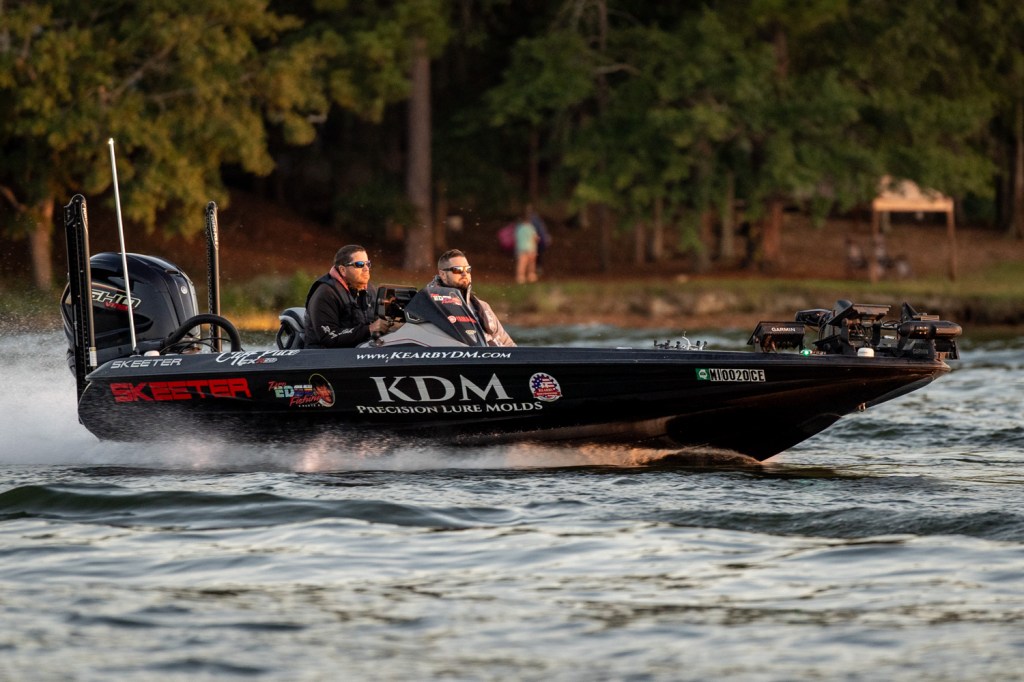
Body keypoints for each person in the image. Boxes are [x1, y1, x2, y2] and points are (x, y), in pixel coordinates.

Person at [303, 244, 399, 348]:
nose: (366, 269)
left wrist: (392, 324)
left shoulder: (370, 290)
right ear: (343, 270)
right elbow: (329, 337)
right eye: (359, 264)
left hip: (360, 350)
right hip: (325, 354)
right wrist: (369, 329)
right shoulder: (325, 293)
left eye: (368, 264)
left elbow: (377, 323)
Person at [429, 249, 516, 347]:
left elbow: (509, 345)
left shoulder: (483, 307)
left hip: (492, 355)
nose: (464, 274)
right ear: (443, 275)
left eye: (468, 269)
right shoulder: (431, 304)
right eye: (458, 270)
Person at [514, 213, 539, 284]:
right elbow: (535, 238)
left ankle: (520, 277)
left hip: (521, 248)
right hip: (531, 248)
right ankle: (531, 276)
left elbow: (516, 238)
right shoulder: (531, 228)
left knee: (522, 263)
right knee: (531, 263)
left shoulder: (519, 228)